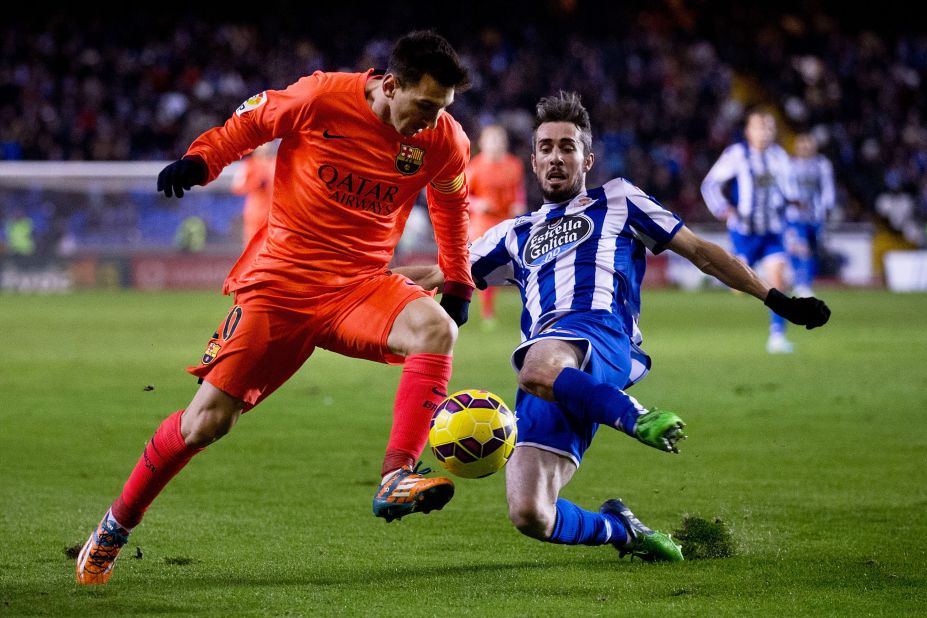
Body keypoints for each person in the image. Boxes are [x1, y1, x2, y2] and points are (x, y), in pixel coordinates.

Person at [76, 30, 475, 585]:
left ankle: (397, 476)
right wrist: (201, 160)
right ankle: (115, 527)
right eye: (425, 106)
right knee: (205, 424)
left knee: (435, 329)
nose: (432, 121)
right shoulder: (319, 98)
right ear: (390, 85)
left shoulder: (442, 140)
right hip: (278, 288)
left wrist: (458, 279)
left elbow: (453, 203)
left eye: (442, 110)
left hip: (358, 287)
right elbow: (250, 123)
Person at [399, 92, 830, 562]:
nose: (556, 157)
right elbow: (438, 273)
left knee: (536, 366)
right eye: (546, 147)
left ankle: (636, 416)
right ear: (534, 160)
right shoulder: (512, 233)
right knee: (530, 513)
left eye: (567, 147)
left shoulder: (620, 200)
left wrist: (777, 299)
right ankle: (621, 530)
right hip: (555, 364)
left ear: (587, 159)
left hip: (601, 335)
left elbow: (703, 252)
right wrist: (361, 282)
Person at [701, 109, 800, 353]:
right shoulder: (737, 155)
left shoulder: (779, 157)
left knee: (777, 279)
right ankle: (736, 277)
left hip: (772, 232)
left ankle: (777, 336)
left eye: (768, 128)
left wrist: (793, 226)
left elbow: (790, 193)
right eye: (759, 127)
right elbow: (710, 184)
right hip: (744, 233)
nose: (764, 133)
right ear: (748, 131)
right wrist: (724, 210)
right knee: (739, 287)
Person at [466, 124, 526, 329]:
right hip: (483, 223)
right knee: (485, 266)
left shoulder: (514, 164)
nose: (495, 144)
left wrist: (519, 203)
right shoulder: (475, 167)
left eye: (499, 140)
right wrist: (477, 205)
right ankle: (486, 310)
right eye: (491, 140)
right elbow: (463, 196)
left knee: (518, 263)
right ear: (482, 143)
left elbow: (518, 190)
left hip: (506, 220)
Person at [785, 132, 836, 297]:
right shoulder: (790, 165)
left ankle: (805, 281)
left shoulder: (822, 164)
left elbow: (828, 187)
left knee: (813, 250)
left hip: (815, 216)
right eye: (802, 144)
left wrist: (827, 207)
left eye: (808, 144)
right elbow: (786, 188)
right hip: (795, 216)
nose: (805, 148)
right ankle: (801, 284)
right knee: (801, 248)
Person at [231, 140, 277, 245]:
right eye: (264, 143)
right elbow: (237, 187)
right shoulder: (249, 164)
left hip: (274, 216)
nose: (266, 146)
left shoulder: (278, 162)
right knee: (252, 248)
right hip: (255, 215)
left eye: (268, 143)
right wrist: (255, 184)